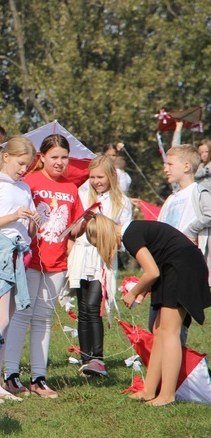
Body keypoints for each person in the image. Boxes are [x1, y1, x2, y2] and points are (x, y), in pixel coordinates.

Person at [86, 215, 211, 406]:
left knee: (169, 333)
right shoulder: (133, 231)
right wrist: (143, 292)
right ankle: (149, 390)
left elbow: (152, 271)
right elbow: (159, 258)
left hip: (181, 269)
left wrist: (134, 292)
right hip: (173, 268)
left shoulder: (130, 235)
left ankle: (167, 395)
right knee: (159, 331)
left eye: (98, 245)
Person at [3, 134, 84, 399]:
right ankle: (10, 375)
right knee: (22, 315)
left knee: (44, 320)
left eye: (64, 157)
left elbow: (74, 229)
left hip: (57, 263)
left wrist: (85, 223)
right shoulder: (30, 182)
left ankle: (39, 378)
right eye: (54, 157)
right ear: (42, 157)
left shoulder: (72, 189)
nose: (60, 162)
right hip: (30, 260)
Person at [0, 136, 39, 403]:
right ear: (6, 157)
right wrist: (14, 216)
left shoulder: (24, 188)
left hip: (19, 256)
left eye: (28, 165)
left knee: (8, 322)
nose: (24, 169)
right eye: (21, 163)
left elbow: (31, 231)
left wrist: (33, 221)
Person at [68, 156, 132, 376]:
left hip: (102, 259)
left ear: (111, 176)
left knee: (94, 307)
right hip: (81, 256)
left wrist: (105, 225)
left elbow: (124, 236)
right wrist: (83, 221)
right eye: (92, 177)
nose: (96, 181)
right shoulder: (82, 195)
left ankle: (98, 359)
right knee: (83, 309)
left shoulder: (121, 202)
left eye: (100, 177)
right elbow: (72, 230)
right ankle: (85, 359)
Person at [157, 144, 211, 330]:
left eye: (170, 164)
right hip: (165, 265)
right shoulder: (171, 199)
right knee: (156, 323)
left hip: (184, 264)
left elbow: (209, 214)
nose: (165, 169)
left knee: (176, 326)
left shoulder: (199, 191)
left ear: (186, 166)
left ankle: (180, 359)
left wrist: (190, 231)